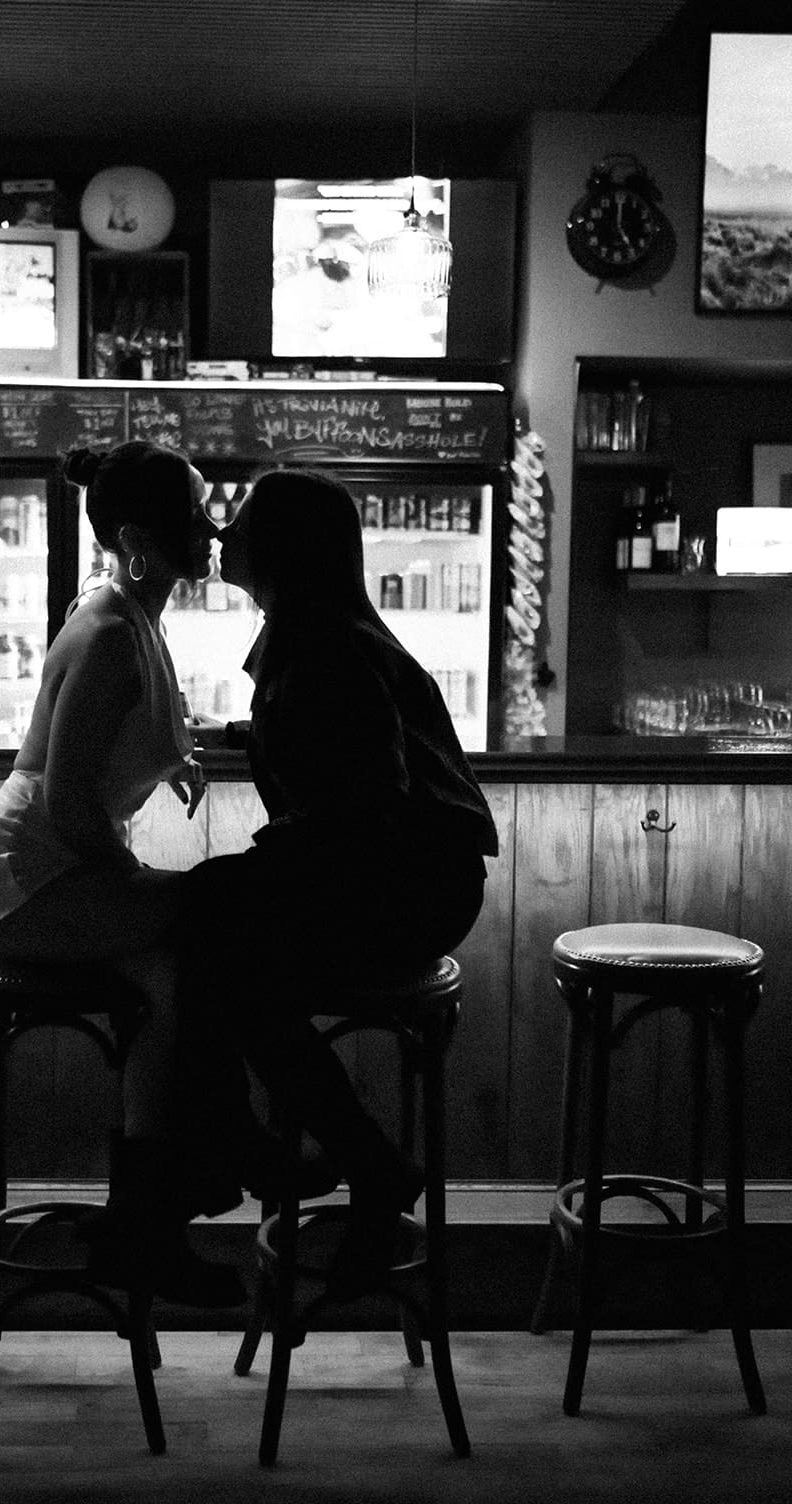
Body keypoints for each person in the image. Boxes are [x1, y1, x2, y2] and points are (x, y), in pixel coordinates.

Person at [178, 465, 499, 1298]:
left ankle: (269, 1151)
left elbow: (367, 803)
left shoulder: (324, 646)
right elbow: (326, 742)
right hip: (404, 876)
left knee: (208, 922)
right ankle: (327, 1159)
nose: (223, 533)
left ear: (283, 548)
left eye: (242, 520)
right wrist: (231, 735)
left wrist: (272, 866)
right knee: (216, 927)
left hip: (407, 888)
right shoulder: (320, 633)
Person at [0, 440, 244, 1307]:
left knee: (170, 978)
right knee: (220, 909)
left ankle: (144, 1225)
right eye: (193, 515)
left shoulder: (132, 616)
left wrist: (173, 758)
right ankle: (225, 1159)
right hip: (29, 880)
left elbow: (108, 747)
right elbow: (70, 804)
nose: (212, 528)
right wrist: (131, 879)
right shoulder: (111, 632)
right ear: (138, 540)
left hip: (59, 871)